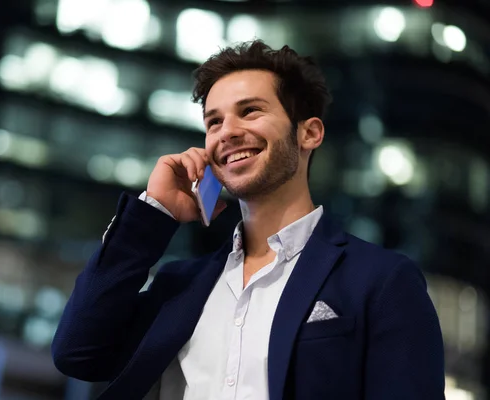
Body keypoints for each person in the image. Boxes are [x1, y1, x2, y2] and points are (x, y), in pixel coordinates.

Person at [51, 40, 445, 400]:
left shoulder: (381, 280)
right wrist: (153, 212)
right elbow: (77, 353)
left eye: (250, 111)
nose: (228, 133)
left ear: (309, 133)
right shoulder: (178, 287)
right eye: (213, 122)